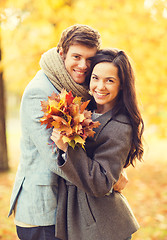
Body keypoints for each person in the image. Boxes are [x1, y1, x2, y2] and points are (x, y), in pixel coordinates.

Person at [8, 25, 127, 240]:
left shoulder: (75, 88)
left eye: (90, 59)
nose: (83, 65)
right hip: (43, 210)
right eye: (76, 56)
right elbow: (56, 157)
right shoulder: (40, 92)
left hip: (66, 212)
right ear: (61, 53)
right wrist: (106, 179)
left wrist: (110, 169)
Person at [51, 48, 144, 240]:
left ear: (122, 85)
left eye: (109, 80)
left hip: (103, 226)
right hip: (79, 219)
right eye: (95, 78)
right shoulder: (85, 109)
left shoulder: (121, 126)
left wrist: (67, 148)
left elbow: (101, 182)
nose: (100, 86)